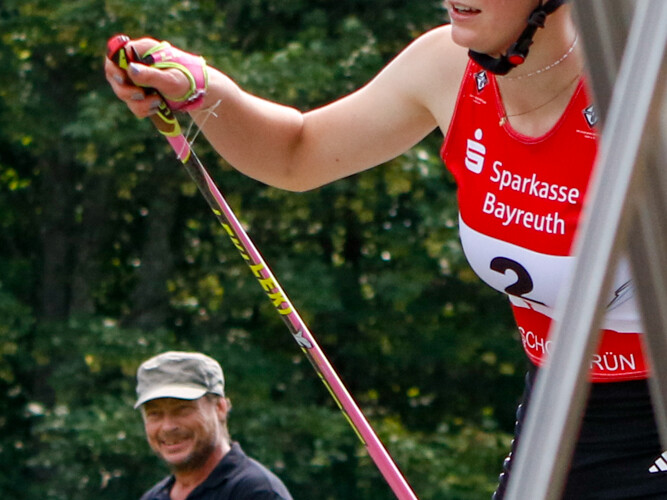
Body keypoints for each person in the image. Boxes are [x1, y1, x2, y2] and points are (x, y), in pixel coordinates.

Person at [107, 1, 667, 497]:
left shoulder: (644, 83)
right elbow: (297, 154)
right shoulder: (446, 67)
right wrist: (204, 88)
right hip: (564, 403)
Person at [133, 351, 293, 500]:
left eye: (182, 410)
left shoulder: (257, 492)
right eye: (155, 414)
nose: (168, 427)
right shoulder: (153, 497)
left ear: (220, 408)